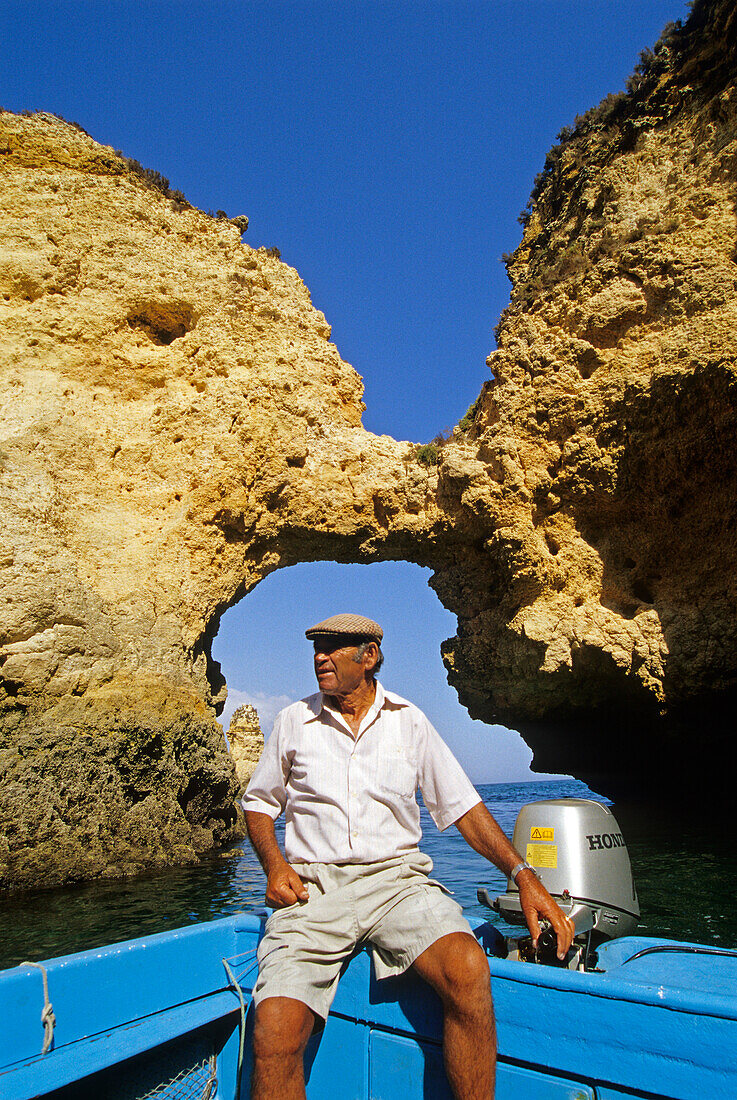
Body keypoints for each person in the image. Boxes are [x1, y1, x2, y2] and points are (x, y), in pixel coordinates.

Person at [242, 613, 574, 1100]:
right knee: (273, 1028)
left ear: (369, 656)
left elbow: (463, 806)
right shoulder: (294, 721)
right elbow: (258, 803)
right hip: (313, 893)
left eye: (334, 648)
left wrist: (523, 874)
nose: (320, 657)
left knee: (467, 967)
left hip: (397, 883)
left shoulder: (409, 720)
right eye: (317, 648)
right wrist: (274, 866)